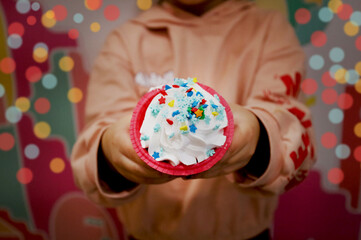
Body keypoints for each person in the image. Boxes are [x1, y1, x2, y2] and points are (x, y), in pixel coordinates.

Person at [70, 0, 317, 239]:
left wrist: (258, 135)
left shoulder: (268, 30)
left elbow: (290, 133)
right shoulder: (127, 40)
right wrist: (111, 151)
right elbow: (94, 143)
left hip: (245, 234)